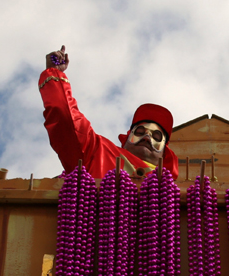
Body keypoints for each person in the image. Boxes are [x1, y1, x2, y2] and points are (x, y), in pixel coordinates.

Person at [39, 46, 179, 179]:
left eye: (156, 136)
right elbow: (66, 119)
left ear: (164, 154)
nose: (147, 138)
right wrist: (55, 73)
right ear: (125, 141)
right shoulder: (97, 152)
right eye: (139, 132)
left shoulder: (179, 194)